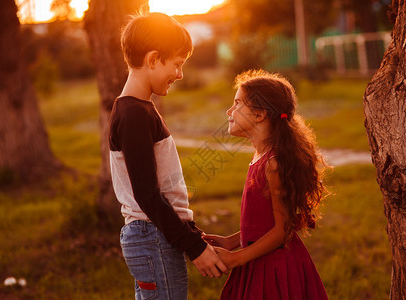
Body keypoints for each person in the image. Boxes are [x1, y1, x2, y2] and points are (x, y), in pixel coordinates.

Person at [109, 12, 227, 300]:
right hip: (152, 237)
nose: (180, 74)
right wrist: (194, 247)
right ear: (152, 60)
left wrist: (191, 232)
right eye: (176, 64)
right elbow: (148, 196)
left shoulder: (139, 109)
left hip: (155, 236)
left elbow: (163, 189)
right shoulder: (135, 114)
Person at [203, 70, 329, 299]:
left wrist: (236, 258)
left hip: (275, 267)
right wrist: (232, 241)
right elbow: (264, 222)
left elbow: (282, 230)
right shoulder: (260, 157)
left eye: (238, 103)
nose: (229, 111)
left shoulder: (273, 164)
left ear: (260, 114)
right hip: (258, 259)